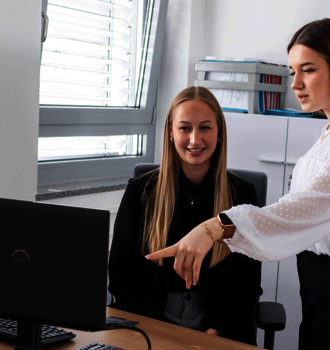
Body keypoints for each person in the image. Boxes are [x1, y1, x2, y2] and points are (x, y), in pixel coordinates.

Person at [147, 18, 330, 350]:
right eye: (293, 71)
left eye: (307, 70)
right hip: (319, 280)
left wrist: (214, 227)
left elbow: (302, 210)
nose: (295, 83)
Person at [108, 86, 263, 345]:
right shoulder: (139, 192)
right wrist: (162, 333)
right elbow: (122, 277)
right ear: (170, 132)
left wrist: (212, 336)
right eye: (184, 128)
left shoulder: (242, 195)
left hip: (220, 327)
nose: (194, 140)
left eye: (204, 127)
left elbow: (247, 285)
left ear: (219, 132)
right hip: (151, 323)